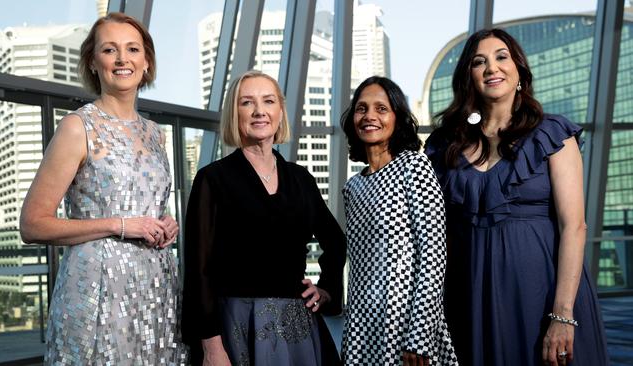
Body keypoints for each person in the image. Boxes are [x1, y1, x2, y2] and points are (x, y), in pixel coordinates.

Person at [425, 28, 609, 366]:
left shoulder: (552, 134)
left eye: (501, 57)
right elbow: (438, 235)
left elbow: (575, 226)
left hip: (541, 295)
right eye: (479, 62)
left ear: (519, 71)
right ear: (469, 76)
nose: (492, 68)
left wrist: (562, 315)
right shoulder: (443, 146)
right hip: (468, 296)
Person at [19, 12, 188, 364]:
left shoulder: (155, 133)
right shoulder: (77, 127)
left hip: (155, 288)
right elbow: (33, 224)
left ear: (146, 62)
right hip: (97, 286)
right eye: (110, 50)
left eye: (132, 49)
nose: (122, 59)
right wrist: (118, 224)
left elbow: (148, 204)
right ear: (93, 63)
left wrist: (165, 223)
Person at [181, 70, 346, 366]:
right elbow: (198, 270)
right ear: (235, 113)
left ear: (280, 111)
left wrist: (327, 291)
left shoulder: (301, 179)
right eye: (247, 103)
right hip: (235, 324)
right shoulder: (212, 179)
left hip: (298, 324)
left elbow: (335, 240)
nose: (259, 111)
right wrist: (211, 346)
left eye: (268, 101)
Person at [340, 76, 458, 366]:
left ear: (397, 118)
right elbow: (358, 268)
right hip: (362, 324)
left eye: (381, 108)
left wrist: (419, 335)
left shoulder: (414, 166)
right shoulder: (352, 186)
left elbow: (433, 254)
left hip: (405, 323)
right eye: (361, 108)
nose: (369, 116)